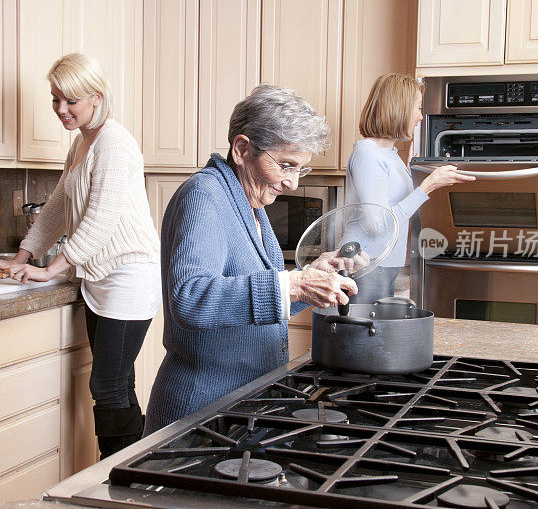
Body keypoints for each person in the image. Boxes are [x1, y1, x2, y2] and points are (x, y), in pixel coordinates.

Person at [143, 85, 358, 434]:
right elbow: (191, 298)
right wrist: (292, 284)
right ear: (242, 149)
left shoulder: (249, 203)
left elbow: (257, 303)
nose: (291, 182)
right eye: (285, 165)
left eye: (299, 169)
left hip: (239, 407)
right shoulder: (204, 197)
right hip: (199, 411)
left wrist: (309, 278)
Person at [0, 53, 161, 459]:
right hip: (101, 276)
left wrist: (51, 270)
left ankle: (115, 474)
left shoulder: (115, 143)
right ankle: (132, 469)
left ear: (97, 98)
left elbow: (99, 219)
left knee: (108, 384)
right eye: (55, 100)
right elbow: (57, 210)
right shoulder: (82, 144)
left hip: (128, 275)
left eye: (71, 101)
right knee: (116, 383)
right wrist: (22, 255)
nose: (61, 110)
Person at [345, 73, 475, 303]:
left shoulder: (390, 155)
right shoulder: (368, 154)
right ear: (398, 108)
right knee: (364, 337)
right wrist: (427, 186)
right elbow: (378, 225)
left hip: (383, 265)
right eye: (417, 108)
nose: (421, 117)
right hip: (366, 264)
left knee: (378, 336)